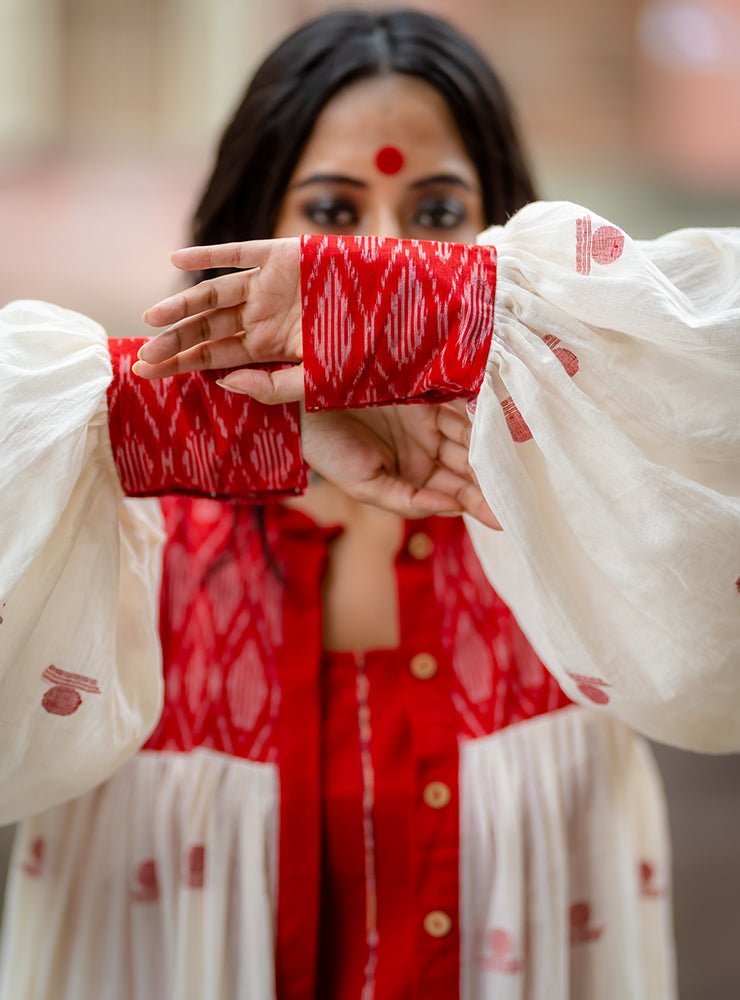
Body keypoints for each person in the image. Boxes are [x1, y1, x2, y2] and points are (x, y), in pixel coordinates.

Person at [1, 9, 738, 1000]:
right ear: (246, 237)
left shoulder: (578, 526)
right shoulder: (111, 536)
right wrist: (208, 424)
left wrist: (437, 322)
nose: (380, 254)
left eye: (435, 217)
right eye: (333, 215)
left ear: (498, 240)